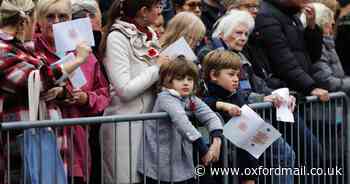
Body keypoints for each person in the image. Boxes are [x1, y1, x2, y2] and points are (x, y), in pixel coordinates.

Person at [0, 0, 90, 183]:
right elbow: (36, 80)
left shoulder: (23, 47)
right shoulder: (2, 49)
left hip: (44, 142)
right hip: (22, 142)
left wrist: (59, 91)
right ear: (25, 21)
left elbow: (48, 81)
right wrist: (78, 60)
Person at [34, 0, 111, 183]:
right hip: (45, 139)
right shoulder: (32, 49)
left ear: (70, 20)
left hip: (77, 143)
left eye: (63, 16)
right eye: (50, 16)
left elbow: (104, 94)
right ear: (38, 21)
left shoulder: (83, 51)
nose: (57, 22)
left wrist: (86, 98)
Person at [99, 0, 169, 183]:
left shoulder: (151, 34)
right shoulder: (117, 37)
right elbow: (125, 90)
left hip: (151, 123)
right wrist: (157, 69)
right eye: (157, 6)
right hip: (124, 127)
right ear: (143, 11)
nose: (160, 10)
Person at [137, 56, 223, 184]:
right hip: (159, 164)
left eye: (190, 79)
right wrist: (204, 150)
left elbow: (210, 116)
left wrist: (216, 140)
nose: (186, 83)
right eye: (180, 78)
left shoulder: (190, 98)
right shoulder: (166, 97)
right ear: (168, 81)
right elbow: (183, 123)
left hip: (180, 161)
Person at [202, 50, 260, 184]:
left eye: (237, 75)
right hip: (216, 167)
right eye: (231, 74)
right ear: (213, 75)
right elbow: (202, 103)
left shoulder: (236, 96)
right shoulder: (205, 95)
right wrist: (222, 105)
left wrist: (250, 177)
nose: (236, 79)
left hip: (240, 168)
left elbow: (251, 140)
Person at [253, 0, 329, 102]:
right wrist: (310, 87)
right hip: (282, 96)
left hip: (296, 91)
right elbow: (283, 59)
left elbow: (312, 56)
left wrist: (311, 28)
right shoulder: (267, 16)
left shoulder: (291, 16)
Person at [300, 2, 350, 94]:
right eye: (329, 20)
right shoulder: (318, 47)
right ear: (322, 23)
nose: (333, 23)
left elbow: (339, 76)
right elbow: (325, 80)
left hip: (337, 102)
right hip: (328, 104)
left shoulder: (328, 44)